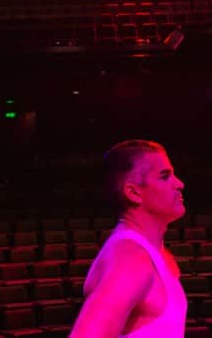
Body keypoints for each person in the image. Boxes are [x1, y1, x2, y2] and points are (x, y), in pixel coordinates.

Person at [69, 140, 187, 338]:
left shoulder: (149, 252)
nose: (180, 184)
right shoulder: (130, 258)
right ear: (133, 192)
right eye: (164, 176)